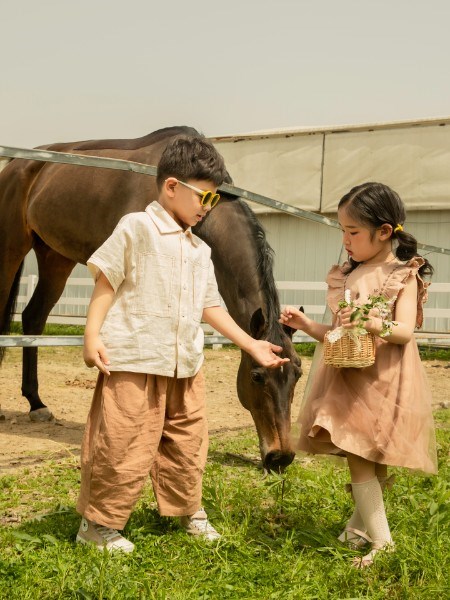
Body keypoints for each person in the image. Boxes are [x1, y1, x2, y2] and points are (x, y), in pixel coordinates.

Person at [76, 135, 289, 553]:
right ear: (172, 187)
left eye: (213, 199)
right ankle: (98, 525)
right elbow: (106, 281)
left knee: (189, 442)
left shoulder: (198, 249)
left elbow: (211, 305)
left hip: (186, 365)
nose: (207, 208)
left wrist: (252, 344)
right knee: (122, 443)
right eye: (203, 197)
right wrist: (91, 334)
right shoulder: (136, 227)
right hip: (135, 361)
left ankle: (188, 510)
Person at [280, 182, 437, 568]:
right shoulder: (348, 275)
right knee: (361, 451)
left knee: (367, 455)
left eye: (353, 232)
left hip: (382, 379)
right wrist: (306, 325)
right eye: (342, 231)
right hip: (348, 376)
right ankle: (360, 528)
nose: (345, 240)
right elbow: (337, 333)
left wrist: (369, 322)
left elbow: (403, 332)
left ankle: (382, 542)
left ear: (384, 232)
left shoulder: (402, 274)